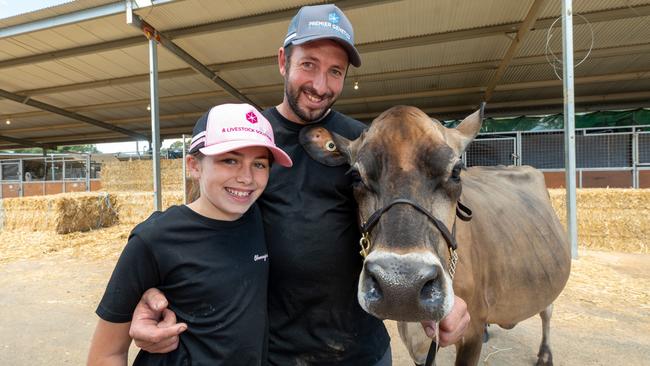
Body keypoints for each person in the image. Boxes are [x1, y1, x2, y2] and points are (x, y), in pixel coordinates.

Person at [129, 4, 470, 365]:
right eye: (308, 64)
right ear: (283, 61)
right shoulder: (244, 137)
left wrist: (449, 293)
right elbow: (198, 230)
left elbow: (418, 219)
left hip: (361, 352)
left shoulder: (366, 143)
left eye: (335, 71)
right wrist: (153, 294)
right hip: (271, 354)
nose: (320, 85)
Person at [86, 103, 292, 366]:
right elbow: (106, 354)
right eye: (230, 160)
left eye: (260, 164)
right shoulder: (154, 239)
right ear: (194, 166)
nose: (247, 178)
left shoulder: (258, 217)